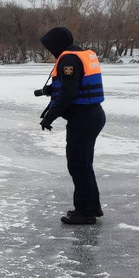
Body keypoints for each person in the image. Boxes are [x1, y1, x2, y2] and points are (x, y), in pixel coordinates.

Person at [38, 27, 106, 225]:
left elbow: (68, 93)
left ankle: (85, 213)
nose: (50, 51)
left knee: (78, 166)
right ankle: (91, 207)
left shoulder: (68, 59)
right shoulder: (79, 54)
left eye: (50, 47)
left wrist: (49, 117)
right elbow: (72, 84)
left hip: (84, 119)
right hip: (91, 116)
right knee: (84, 165)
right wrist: (48, 90)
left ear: (56, 44)